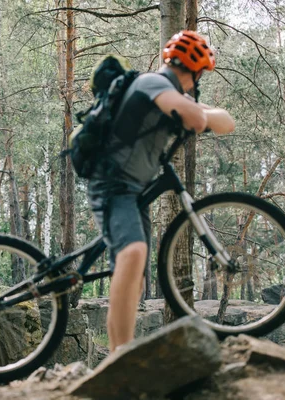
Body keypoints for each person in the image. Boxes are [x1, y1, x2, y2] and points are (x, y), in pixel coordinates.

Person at [87, 31, 235, 352]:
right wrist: (200, 115)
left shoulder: (172, 95)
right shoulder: (153, 83)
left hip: (132, 191)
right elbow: (197, 119)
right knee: (133, 253)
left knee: (134, 275)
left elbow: (226, 123)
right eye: (199, 76)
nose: (197, 85)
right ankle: (119, 359)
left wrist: (201, 114)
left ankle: (120, 354)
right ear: (194, 70)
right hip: (113, 186)